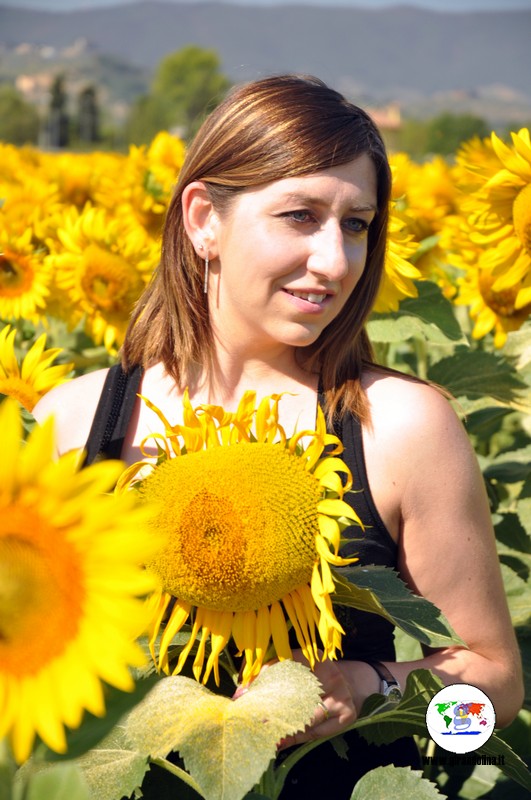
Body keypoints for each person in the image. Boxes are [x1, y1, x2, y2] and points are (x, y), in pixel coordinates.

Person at [33, 74, 523, 798]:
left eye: (355, 224)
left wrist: (372, 688)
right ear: (203, 219)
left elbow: (494, 696)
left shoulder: (399, 426)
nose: (334, 260)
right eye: (299, 216)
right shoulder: (75, 422)